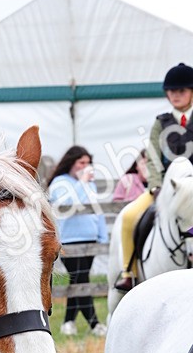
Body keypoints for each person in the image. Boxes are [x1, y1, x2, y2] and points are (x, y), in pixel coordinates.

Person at [115, 63, 193, 292]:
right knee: (129, 216)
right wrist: (156, 186)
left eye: (181, 90)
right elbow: (153, 157)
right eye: (171, 91)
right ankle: (129, 272)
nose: (175, 95)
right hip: (167, 189)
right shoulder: (161, 123)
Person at [47, 146, 108, 337]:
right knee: (81, 279)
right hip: (69, 239)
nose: (85, 166)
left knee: (79, 280)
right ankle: (95, 324)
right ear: (71, 163)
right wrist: (82, 182)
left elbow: (97, 210)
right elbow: (68, 204)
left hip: (90, 238)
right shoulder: (60, 182)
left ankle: (68, 322)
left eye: (88, 163)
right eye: (81, 162)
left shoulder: (90, 184)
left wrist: (102, 235)